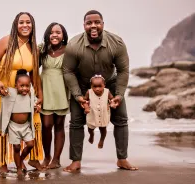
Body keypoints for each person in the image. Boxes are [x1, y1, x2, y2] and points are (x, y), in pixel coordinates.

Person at [62, 10, 138, 172]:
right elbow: (68, 71)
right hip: (82, 85)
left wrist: (118, 95)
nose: (93, 26)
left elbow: (123, 70)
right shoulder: (74, 45)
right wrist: (78, 96)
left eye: (97, 22)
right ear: (84, 26)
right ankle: (76, 161)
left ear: (103, 24)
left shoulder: (116, 43)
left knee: (121, 120)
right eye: (89, 23)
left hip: (109, 84)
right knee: (76, 122)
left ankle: (122, 159)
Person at [0, 12, 44, 177]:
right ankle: (2, 162)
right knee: (3, 125)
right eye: (21, 22)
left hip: (23, 91)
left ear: (32, 25)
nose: (25, 25)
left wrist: (40, 97)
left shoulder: (33, 47)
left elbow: (35, 75)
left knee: (33, 121)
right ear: (15, 25)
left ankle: (27, 159)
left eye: (28, 22)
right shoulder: (7, 41)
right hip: (1, 90)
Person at [0, 69, 41, 177]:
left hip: (26, 126)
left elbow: (34, 102)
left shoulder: (30, 93)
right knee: (16, 147)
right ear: (16, 85)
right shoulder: (10, 93)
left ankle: (20, 159)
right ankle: (19, 167)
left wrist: (37, 106)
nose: (25, 88)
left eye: (27, 86)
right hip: (13, 127)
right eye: (22, 86)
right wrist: (0, 87)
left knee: (30, 144)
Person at [39, 22, 69, 169]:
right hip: (45, 90)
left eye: (58, 32)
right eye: (52, 32)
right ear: (48, 35)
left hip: (61, 91)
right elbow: (31, 67)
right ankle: (47, 156)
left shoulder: (68, 51)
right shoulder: (42, 49)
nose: (55, 35)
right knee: (46, 125)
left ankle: (56, 160)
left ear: (63, 36)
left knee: (59, 125)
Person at [82, 74, 116, 149]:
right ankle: (91, 135)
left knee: (103, 129)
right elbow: (84, 101)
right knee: (90, 128)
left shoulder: (107, 92)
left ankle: (102, 140)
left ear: (104, 85)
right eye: (95, 86)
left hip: (103, 114)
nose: (97, 89)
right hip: (92, 114)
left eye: (100, 86)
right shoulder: (89, 92)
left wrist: (112, 103)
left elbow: (112, 99)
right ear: (91, 86)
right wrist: (86, 107)